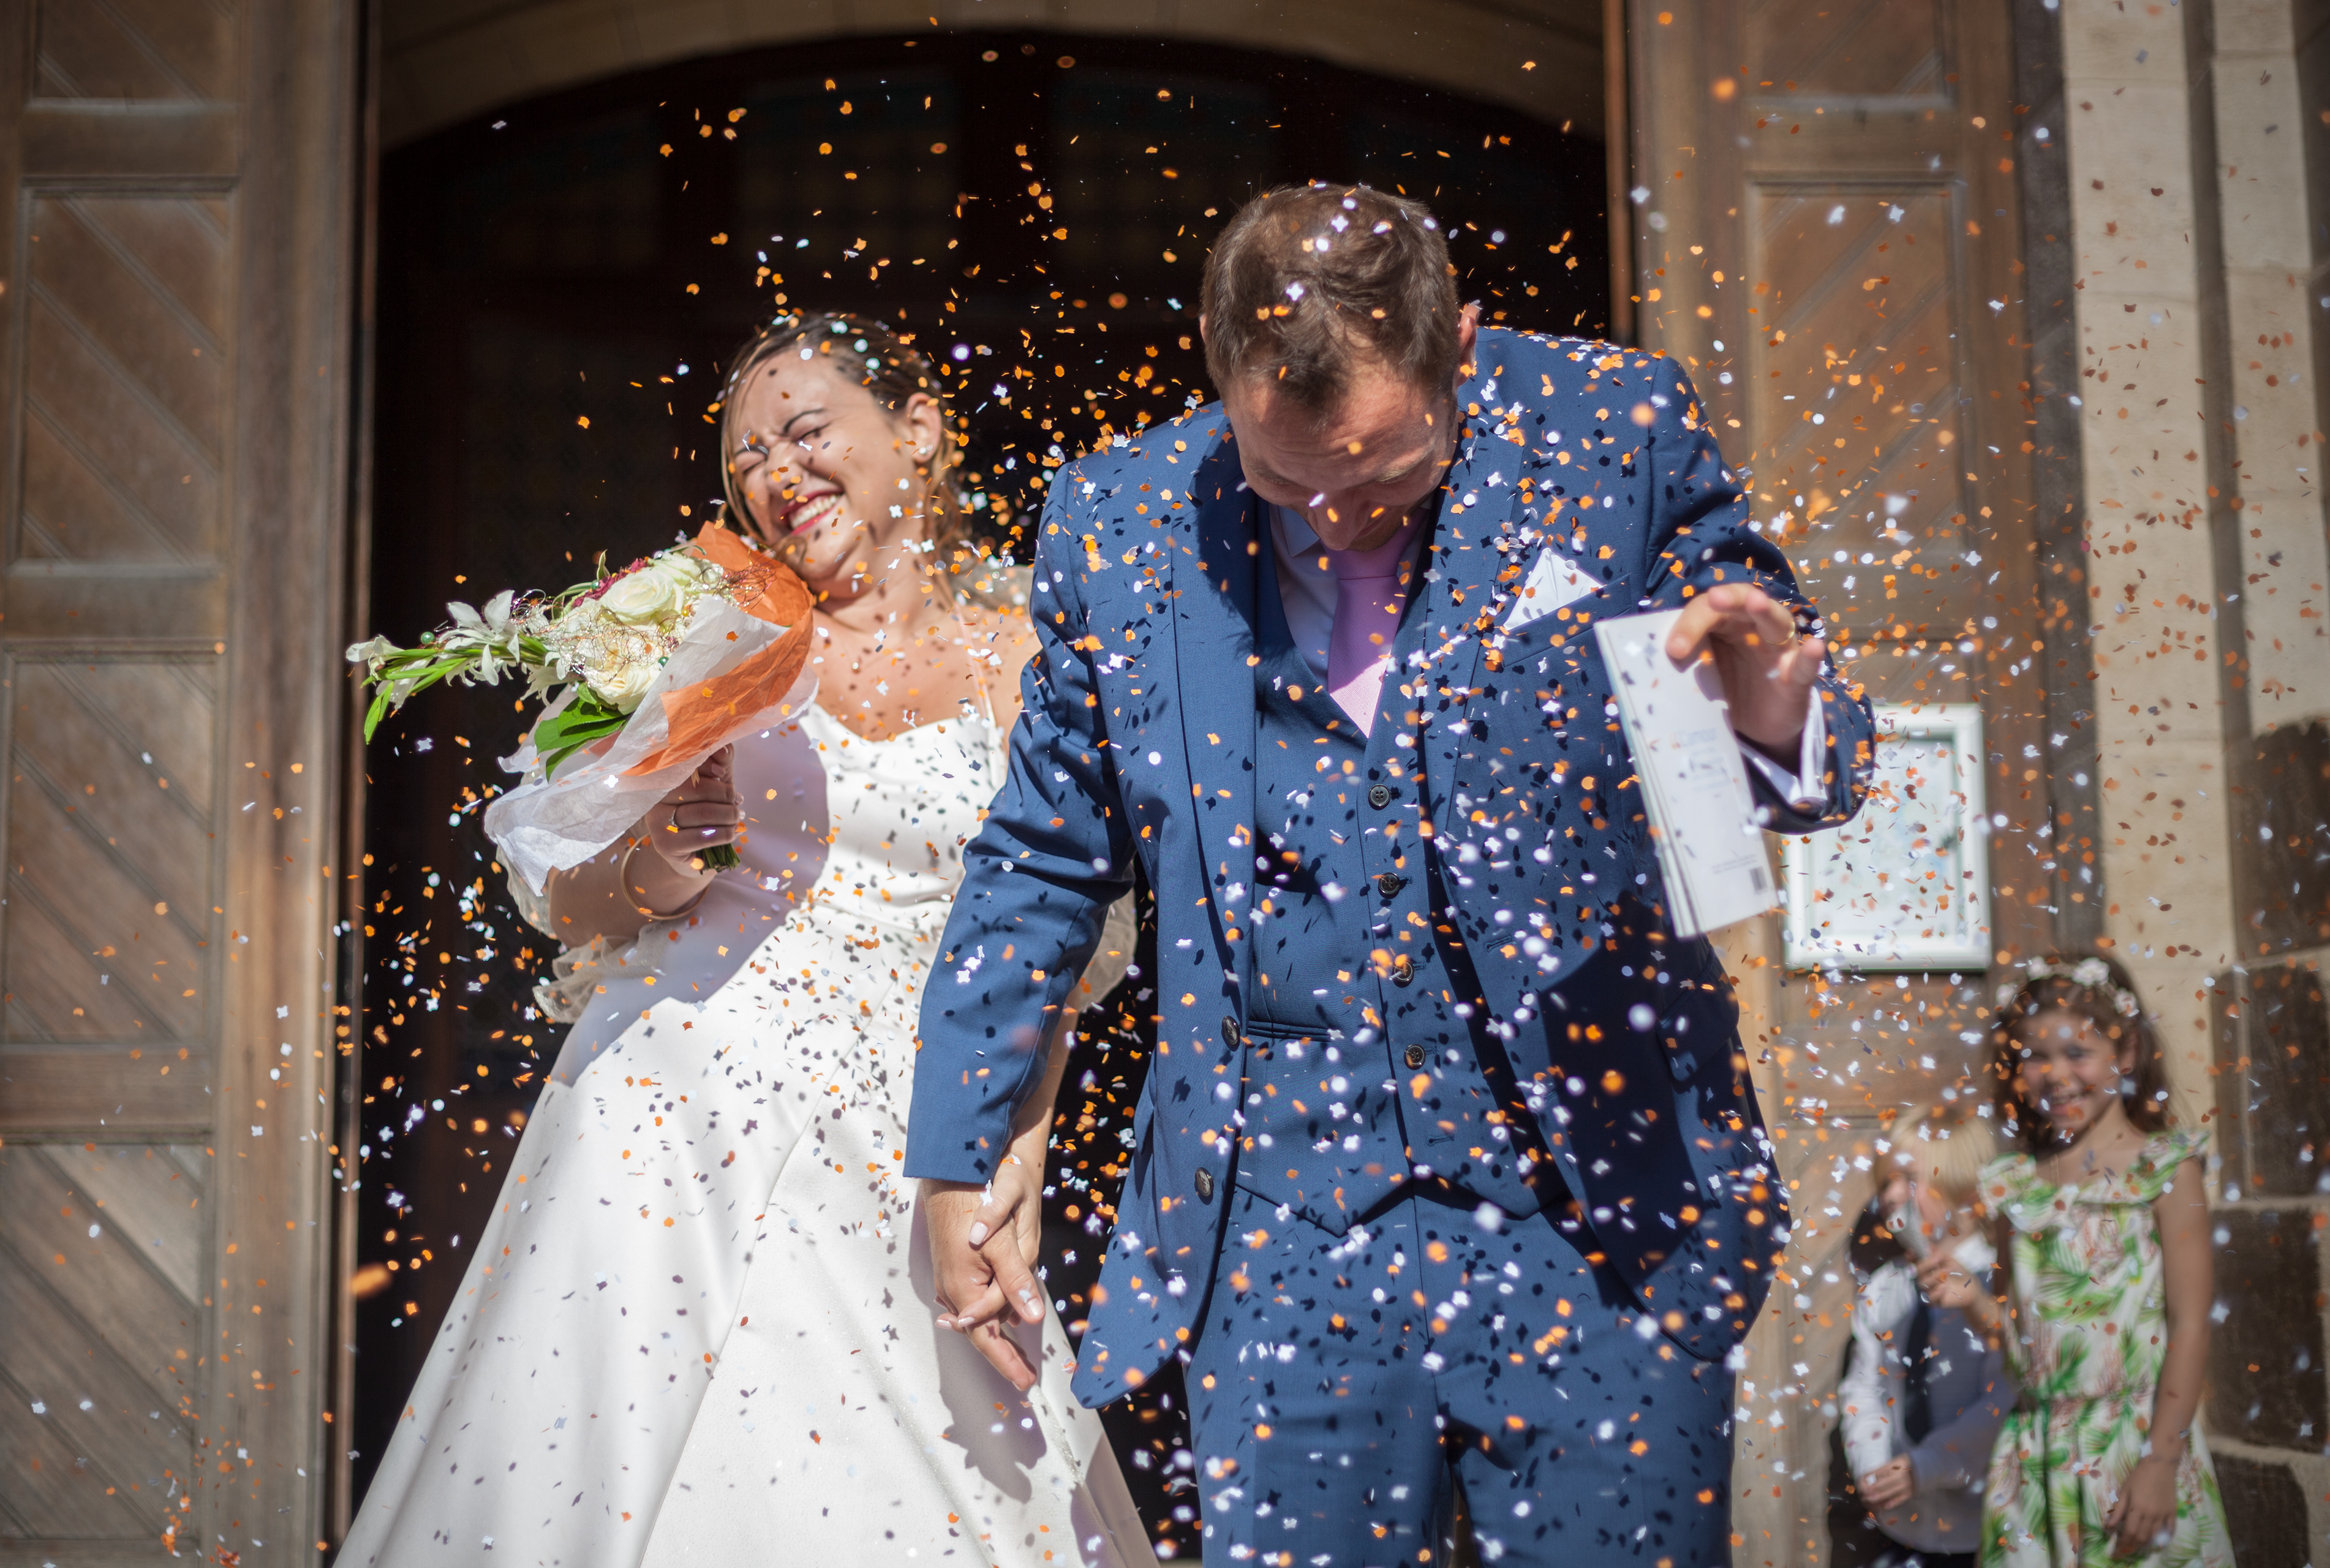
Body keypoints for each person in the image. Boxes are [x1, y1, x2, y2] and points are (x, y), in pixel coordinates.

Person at [904, 182, 1878, 1566]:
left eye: (1384, 478)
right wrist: (957, 1158)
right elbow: (1041, 858)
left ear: (1461, 347)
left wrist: (1775, 708)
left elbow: (1800, 758)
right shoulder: (1113, 519)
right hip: (1276, 1228)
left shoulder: (1613, 424)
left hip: (1591, 1210)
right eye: (1287, 480)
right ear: (1217, 377)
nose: (1337, 521)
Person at [338, 314, 1153, 1567]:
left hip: (916, 1138)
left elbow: (1064, 959)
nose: (777, 475)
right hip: (683, 1114)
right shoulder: (706, 634)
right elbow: (563, 885)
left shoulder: (1025, 660)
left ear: (920, 430)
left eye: (807, 432)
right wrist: (660, 857)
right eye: (748, 460)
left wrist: (1015, 1162)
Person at [1919, 954, 2231, 1567]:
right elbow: (2026, 1346)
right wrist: (1976, 1302)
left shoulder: (2167, 1169)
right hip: (2036, 1461)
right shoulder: (2014, 1187)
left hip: (2136, 1448)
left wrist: (2161, 1461)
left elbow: (2191, 1325)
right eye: (2035, 1056)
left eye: (2076, 1052)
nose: (2055, 1074)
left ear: (2129, 1050)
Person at [1835, 1107, 2012, 1568]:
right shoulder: (1883, 1290)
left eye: (1909, 1179)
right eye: (1885, 1182)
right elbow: (1864, 1387)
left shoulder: (1998, 1285)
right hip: (1901, 1528)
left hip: (1985, 1529)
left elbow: (2006, 1399)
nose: (1890, 1196)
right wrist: (1874, 1464)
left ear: (1965, 1186)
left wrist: (1928, 1466)